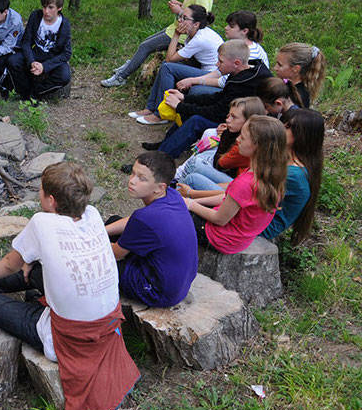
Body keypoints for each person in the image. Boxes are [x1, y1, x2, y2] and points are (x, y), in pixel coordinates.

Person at [0, 162, 139, 410]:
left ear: (52, 200)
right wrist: (31, 261)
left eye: (41, 192)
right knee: (28, 269)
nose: (39, 195)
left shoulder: (41, 222)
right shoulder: (91, 213)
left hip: (63, 336)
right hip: (106, 321)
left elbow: (11, 262)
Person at [102, 0, 216, 87]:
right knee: (146, 42)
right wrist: (182, 5)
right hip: (175, 27)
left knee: (145, 46)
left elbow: (198, 20)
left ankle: (121, 77)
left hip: (181, 34)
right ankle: (127, 68)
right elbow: (192, 9)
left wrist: (179, 11)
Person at [105, 152, 198, 307]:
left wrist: (91, 240)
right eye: (133, 173)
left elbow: (115, 254)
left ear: (159, 187)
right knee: (114, 221)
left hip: (159, 292)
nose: (132, 181)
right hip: (180, 283)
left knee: (99, 264)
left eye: (142, 178)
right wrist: (103, 231)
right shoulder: (173, 195)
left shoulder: (146, 217)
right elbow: (134, 223)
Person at [152, 39, 272, 158]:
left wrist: (179, 106)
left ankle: (160, 159)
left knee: (196, 121)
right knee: (189, 112)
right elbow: (219, 97)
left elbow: (216, 112)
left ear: (236, 63)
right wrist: (185, 98)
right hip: (233, 115)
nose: (217, 64)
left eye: (220, 61)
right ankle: (165, 147)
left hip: (247, 126)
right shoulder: (243, 71)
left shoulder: (245, 83)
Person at [184, 116, 287, 253]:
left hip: (219, 238)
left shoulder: (245, 183)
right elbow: (229, 200)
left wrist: (191, 205)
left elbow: (219, 219)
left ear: (258, 146)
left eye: (243, 138)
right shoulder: (271, 175)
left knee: (171, 214)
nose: (237, 140)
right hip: (239, 239)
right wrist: (192, 201)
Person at [131, 5, 224, 125]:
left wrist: (176, 35)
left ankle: (163, 114)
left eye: (185, 18)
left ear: (196, 24)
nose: (180, 20)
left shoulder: (200, 38)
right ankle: (151, 108)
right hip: (206, 70)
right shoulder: (195, 33)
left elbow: (170, 59)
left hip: (213, 75)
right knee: (166, 65)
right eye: (180, 16)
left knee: (167, 67)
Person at [175, 97, 267, 192]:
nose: (227, 120)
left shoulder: (244, 145)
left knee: (194, 166)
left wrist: (227, 133)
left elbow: (219, 164)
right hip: (233, 179)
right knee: (203, 151)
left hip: (236, 184)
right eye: (229, 115)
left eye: (233, 117)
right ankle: (178, 182)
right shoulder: (246, 137)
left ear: (248, 122)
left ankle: (176, 189)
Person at [262, 108, 323, 243]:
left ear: (302, 135)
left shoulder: (294, 175)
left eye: (288, 126)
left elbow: (245, 195)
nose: (282, 128)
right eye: (284, 123)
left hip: (262, 227)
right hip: (258, 215)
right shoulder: (290, 161)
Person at [175, 10, 270, 93]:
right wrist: (194, 80)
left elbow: (223, 82)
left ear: (244, 31)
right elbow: (220, 72)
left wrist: (194, 81)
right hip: (225, 81)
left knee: (195, 90)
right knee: (171, 68)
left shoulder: (250, 53)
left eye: (231, 26)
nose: (226, 28)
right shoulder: (239, 45)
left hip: (239, 92)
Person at [5, 0, 72, 101]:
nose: (46, 11)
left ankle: (36, 93)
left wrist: (44, 66)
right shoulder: (36, 16)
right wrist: (31, 61)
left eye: (51, 7)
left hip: (52, 57)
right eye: (44, 7)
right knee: (13, 61)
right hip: (36, 53)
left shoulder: (64, 25)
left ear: (59, 8)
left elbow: (66, 53)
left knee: (64, 76)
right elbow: (26, 42)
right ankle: (25, 93)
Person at [273, 43, 326, 108]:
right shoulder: (289, 85)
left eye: (280, 65)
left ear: (296, 69)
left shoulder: (295, 98)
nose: (275, 68)